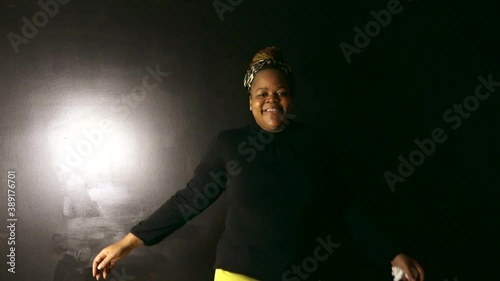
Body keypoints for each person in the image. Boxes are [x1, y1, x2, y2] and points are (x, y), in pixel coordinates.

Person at [92, 46, 425, 281]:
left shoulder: (314, 144)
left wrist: (392, 253)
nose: (271, 100)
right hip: (240, 274)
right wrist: (126, 244)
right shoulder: (230, 145)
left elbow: (346, 206)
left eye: (280, 92)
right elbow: (189, 200)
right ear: (250, 101)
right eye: (262, 93)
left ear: (291, 98)